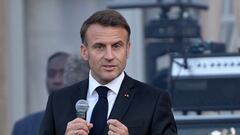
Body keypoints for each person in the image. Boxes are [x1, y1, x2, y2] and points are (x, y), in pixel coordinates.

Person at [39, 9, 177, 135]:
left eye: (116, 46)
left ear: (127, 49)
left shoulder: (153, 101)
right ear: (84, 52)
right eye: (99, 47)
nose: (109, 56)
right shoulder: (58, 101)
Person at [11, 52, 70, 135]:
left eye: (63, 73)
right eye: (51, 74)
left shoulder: (89, 121)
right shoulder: (23, 128)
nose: (57, 80)